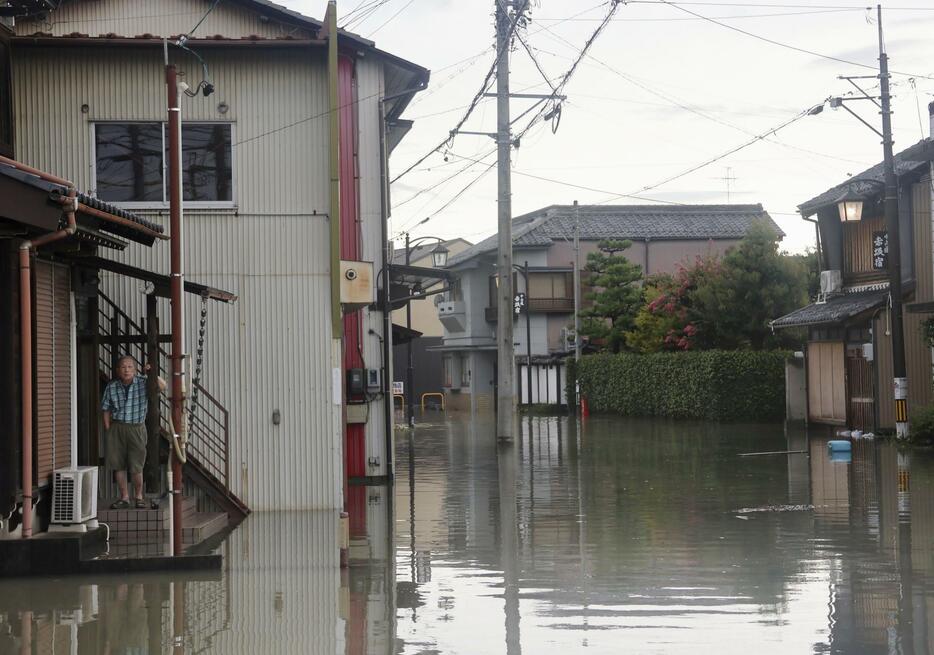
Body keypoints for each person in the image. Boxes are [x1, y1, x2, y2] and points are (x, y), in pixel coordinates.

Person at [101, 355, 166, 509]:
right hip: (117, 427)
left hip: (136, 427)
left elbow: (163, 386)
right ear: (117, 370)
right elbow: (105, 409)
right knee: (118, 465)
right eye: (123, 367)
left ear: (135, 370)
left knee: (137, 465)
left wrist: (150, 373)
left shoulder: (143, 382)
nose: (126, 370)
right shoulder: (112, 386)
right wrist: (108, 429)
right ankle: (124, 497)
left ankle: (139, 496)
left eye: (130, 367)